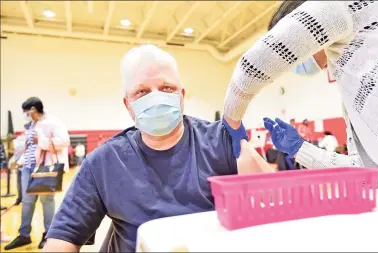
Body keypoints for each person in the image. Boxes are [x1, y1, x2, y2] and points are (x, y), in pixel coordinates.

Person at [42, 45, 273, 253]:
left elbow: (274, 205)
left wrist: (245, 151)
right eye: (141, 92)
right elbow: (62, 239)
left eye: (166, 87)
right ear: (128, 104)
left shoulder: (220, 141)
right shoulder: (104, 162)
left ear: (181, 96)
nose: (156, 98)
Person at [222, 1, 378, 182]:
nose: (296, 64)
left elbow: (254, 64)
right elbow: (363, 169)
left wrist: (231, 118)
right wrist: (299, 148)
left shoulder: (341, 6)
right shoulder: (355, 81)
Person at [5, 97, 70, 250]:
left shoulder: (53, 122)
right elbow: (28, 147)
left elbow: (64, 141)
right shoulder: (31, 124)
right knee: (27, 202)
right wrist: (18, 160)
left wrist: (41, 140)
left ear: (33, 109)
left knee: (46, 202)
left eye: (26, 111)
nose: (25, 114)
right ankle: (24, 235)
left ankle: (48, 235)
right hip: (27, 168)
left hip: (45, 168)